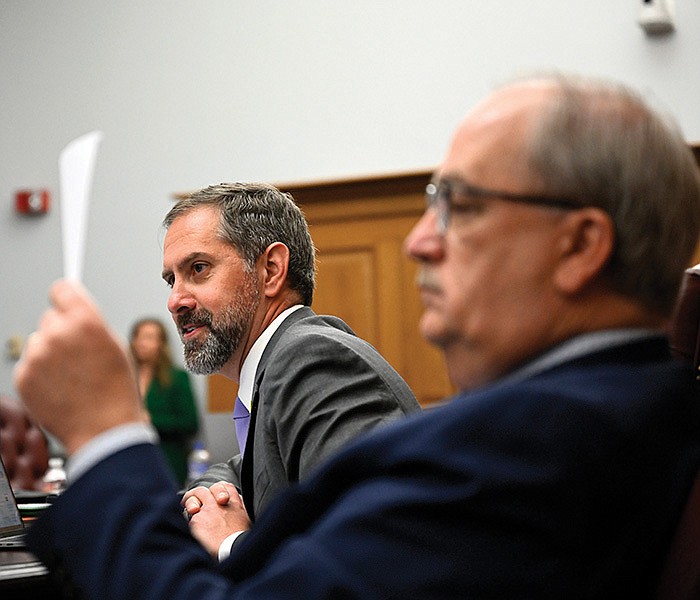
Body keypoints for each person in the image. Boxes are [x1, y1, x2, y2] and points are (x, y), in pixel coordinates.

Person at [14, 72, 700, 598]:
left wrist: (104, 435)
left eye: (457, 205)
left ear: (578, 245)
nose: (417, 241)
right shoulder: (592, 416)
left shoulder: (535, 446)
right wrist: (219, 491)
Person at [162, 182, 420, 554]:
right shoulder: (280, 365)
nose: (175, 300)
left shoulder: (313, 360)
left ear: (270, 270)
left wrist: (232, 544)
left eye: (198, 269)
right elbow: (248, 468)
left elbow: (371, 551)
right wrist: (208, 493)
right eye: (172, 280)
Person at [129, 317, 199, 486]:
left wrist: (151, 420)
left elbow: (190, 423)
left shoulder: (176, 377)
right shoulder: (124, 379)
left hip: (168, 462)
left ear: (161, 343)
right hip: (132, 465)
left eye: (149, 337)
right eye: (139, 336)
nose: (142, 343)